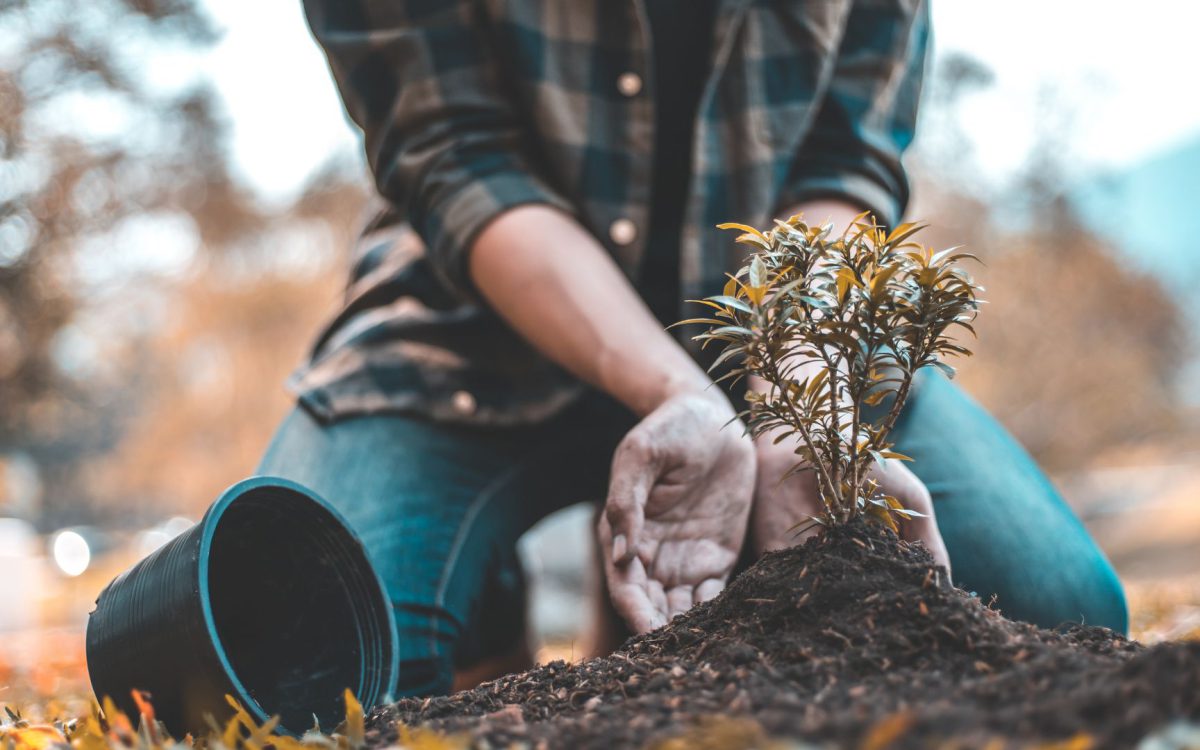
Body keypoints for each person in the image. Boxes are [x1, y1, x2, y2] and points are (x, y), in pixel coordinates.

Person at [259, 0, 1128, 697]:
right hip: (469, 329)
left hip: (779, 335)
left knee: (1055, 608)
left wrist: (804, 408)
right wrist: (677, 390)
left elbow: (845, 167)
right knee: (302, 656)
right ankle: (488, 608)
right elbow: (456, 158)